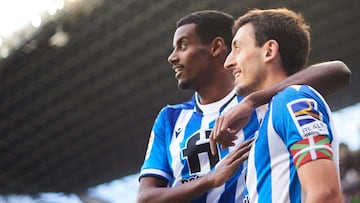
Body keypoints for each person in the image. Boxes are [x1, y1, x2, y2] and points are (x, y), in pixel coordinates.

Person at [137, 10, 350, 203]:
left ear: (216, 47)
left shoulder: (272, 102)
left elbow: (338, 72)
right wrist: (210, 179)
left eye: (183, 46)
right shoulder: (170, 118)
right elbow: (145, 198)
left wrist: (252, 101)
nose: (172, 57)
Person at [211, 8, 344, 203]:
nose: (228, 62)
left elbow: (325, 194)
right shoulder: (270, 115)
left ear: (269, 51)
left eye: (237, 48)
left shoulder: (291, 100)